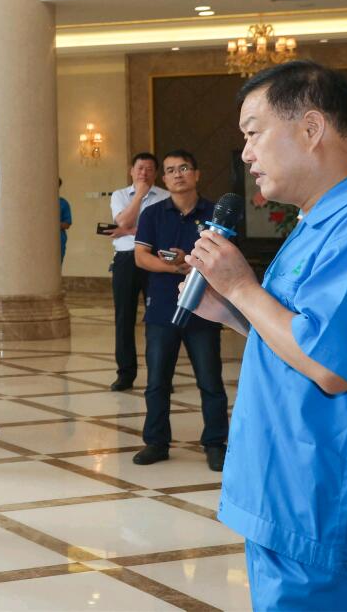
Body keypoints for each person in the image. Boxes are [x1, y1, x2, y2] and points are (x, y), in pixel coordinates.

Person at [186, 61, 347, 610]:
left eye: (253, 133)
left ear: (311, 128)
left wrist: (243, 286)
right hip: (292, 501)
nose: (246, 154)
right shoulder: (323, 220)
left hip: (332, 518)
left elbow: (329, 363)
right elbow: (303, 336)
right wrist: (232, 309)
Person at [131, 150, 228, 472]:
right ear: (164, 178)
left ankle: (215, 443)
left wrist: (190, 263)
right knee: (157, 380)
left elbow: (226, 257)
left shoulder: (214, 214)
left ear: (197, 174)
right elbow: (141, 257)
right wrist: (178, 268)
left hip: (205, 308)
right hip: (162, 307)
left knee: (210, 380)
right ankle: (156, 442)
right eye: (171, 170)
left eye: (184, 168)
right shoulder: (152, 214)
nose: (177, 175)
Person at [107, 153, 169, 392]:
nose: (144, 173)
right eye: (140, 168)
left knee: (159, 319)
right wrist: (140, 196)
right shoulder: (120, 195)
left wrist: (127, 231)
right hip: (126, 259)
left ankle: (160, 376)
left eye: (149, 169)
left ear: (156, 173)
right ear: (131, 170)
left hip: (154, 258)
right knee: (124, 318)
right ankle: (125, 374)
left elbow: (161, 232)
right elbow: (123, 222)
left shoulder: (166, 197)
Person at [58, 176, 72, 265]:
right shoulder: (37, 202)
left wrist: (51, 224)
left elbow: (67, 224)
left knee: (56, 267)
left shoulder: (63, 203)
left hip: (58, 241)